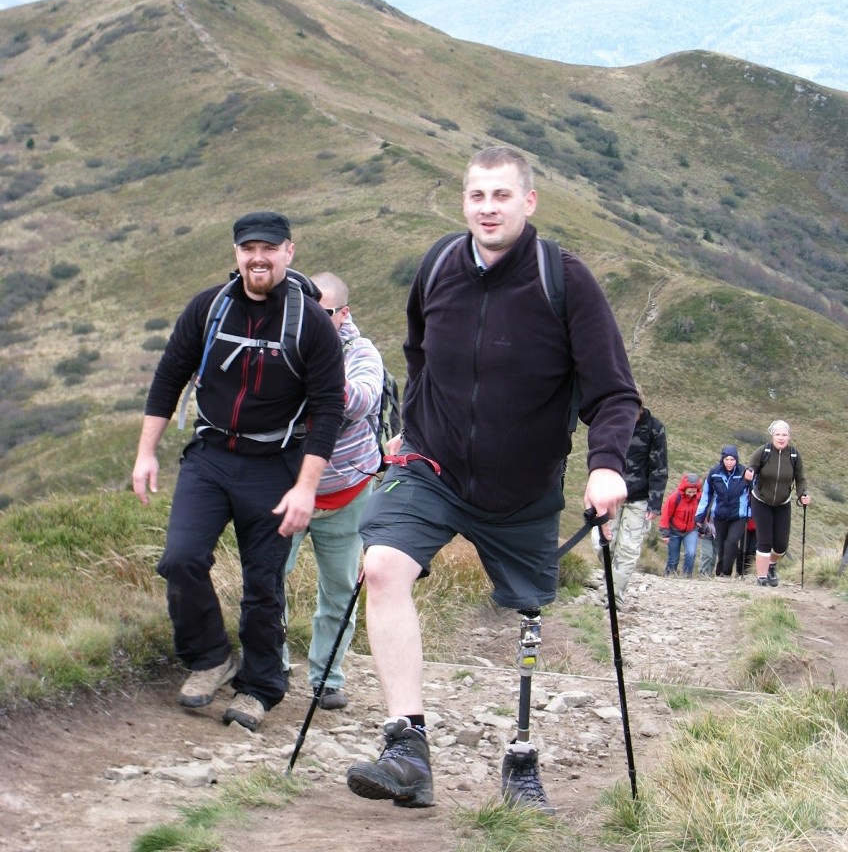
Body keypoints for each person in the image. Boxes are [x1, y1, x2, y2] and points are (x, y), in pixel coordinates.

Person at [344, 145, 639, 813]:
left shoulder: (564, 280)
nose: (488, 208)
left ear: (529, 202)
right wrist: (412, 429)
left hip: (522, 488)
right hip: (432, 467)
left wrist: (606, 467)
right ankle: (406, 747)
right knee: (384, 566)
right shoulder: (440, 266)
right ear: (464, 202)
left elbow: (614, 392)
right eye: (478, 195)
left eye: (502, 196)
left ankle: (520, 759)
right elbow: (419, 356)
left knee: (528, 610)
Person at [132, 212, 344, 732]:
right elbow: (169, 377)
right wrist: (147, 452)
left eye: (269, 248)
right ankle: (209, 657)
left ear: (289, 253)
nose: (258, 258)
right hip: (210, 456)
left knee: (262, 585)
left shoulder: (311, 321)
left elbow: (328, 410)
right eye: (248, 248)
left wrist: (305, 488)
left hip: (275, 464)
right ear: (236, 254)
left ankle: (260, 689)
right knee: (181, 559)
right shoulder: (210, 308)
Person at [282, 273, 383, 710]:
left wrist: (319, 376)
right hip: (284, 489)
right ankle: (271, 666)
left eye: (322, 314)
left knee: (340, 589)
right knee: (267, 581)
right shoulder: (281, 341)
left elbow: (362, 399)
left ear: (343, 314)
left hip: (346, 491)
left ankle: (327, 678)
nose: (312, 321)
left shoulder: (361, 352)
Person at [590, 387, 668, 607]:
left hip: (639, 499)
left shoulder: (654, 428)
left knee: (628, 549)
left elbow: (659, 467)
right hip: (609, 496)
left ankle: (614, 597)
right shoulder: (610, 423)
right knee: (602, 545)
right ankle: (610, 580)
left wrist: (655, 503)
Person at [745, 420, 810, 586]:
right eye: (778, 434)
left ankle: (771, 565)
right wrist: (749, 473)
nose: (781, 438)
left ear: (789, 437)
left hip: (783, 503)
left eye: (784, 435)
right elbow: (752, 467)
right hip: (761, 500)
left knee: (781, 545)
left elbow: (800, 479)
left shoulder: (794, 455)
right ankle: (761, 578)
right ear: (772, 436)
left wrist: (803, 494)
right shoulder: (763, 452)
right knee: (764, 541)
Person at [695, 445, 751, 577]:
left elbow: (753, 492)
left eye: (732, 459)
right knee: (721, 545)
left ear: (736, 460)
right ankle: (720, 573)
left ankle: (726, 572)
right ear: (722, 459)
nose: (729, 462)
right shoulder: (714, 472)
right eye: (727, 459)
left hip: (739, 516)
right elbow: (707, 495)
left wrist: (752, 512)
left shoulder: (744, 472)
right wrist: (700, 516)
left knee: (732, 542)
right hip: (720, 514)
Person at [659, 473, 702, 576]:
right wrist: (665, 533)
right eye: (689, 492)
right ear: (684, 489)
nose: (692, 494)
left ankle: (687, 577)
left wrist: (702, 528)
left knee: (691, 554)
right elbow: (666, 514)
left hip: (691, 530)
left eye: (694, 492)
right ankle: (669, 576)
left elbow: (702, 514)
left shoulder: (699, 498)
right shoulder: (675, 497)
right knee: (673, 559)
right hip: (674, 531)